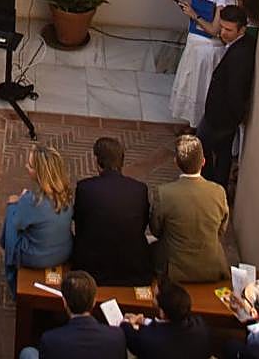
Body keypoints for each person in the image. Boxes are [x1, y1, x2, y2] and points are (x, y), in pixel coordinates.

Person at [71, 137, 152, 286]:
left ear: (97, 162)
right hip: (133, 268)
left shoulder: (85, 188)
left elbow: (79, 225)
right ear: (121, 162)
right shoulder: (139, 189)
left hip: (92, 268)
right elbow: (143, 223)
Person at [149, 135, 230, 283]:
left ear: (176, 162)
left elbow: (156, 230)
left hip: (174, 269)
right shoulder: (219, 191)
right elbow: (221, 230)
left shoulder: (164, 193)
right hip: (212, 267)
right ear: (203, 161)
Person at [169, 0, 237, 126]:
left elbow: (214, 29)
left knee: (200, 90)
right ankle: (189, 121)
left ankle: (198, 125)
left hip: (208, 50)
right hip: (196, 46)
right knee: (191, 86)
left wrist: (195, 15)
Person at [0, 144, 75, 291]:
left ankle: (11, 272)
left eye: (30, 166)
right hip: (64, 252)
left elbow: (18, 224)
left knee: (11, 212)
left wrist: (17, 203)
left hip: (38, 257)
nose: (26, 166)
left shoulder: (32, 201)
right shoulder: (66, 193)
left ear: (39, 173)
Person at [197, 5, 256, 188]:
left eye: (228, 30)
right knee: (223, 154)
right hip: (222, 116)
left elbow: (236, 90)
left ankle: (208, 184)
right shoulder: (240, 45)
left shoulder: (241, 55)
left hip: (221, 118)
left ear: (242, 29)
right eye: (222, 27)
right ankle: (218, 186)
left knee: (203, 147)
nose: (223, 33)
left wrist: (232, 118)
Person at [19, 270, 127, 359]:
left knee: (28, 353)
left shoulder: (50, 340)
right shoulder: (117, 336)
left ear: (64, 302)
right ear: (94, 301)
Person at [120, 278, 212, 359]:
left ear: (162, 312)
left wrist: (129, 322)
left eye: (155, 297)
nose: (152, 298)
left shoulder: (148, 339)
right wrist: (145, 321)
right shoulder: (201, 326)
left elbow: (126, 330)